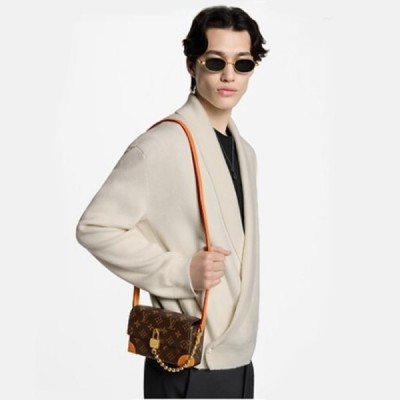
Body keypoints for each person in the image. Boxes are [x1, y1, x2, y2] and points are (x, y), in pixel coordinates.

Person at [76, 5, 268, 399]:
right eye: (215, 61)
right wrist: (181, 271)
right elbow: (94, 227)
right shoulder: (161, 146)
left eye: (242, 63)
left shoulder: (245, 153)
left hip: (240, 365)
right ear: (192, 64)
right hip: (186, 364)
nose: (229, 75)